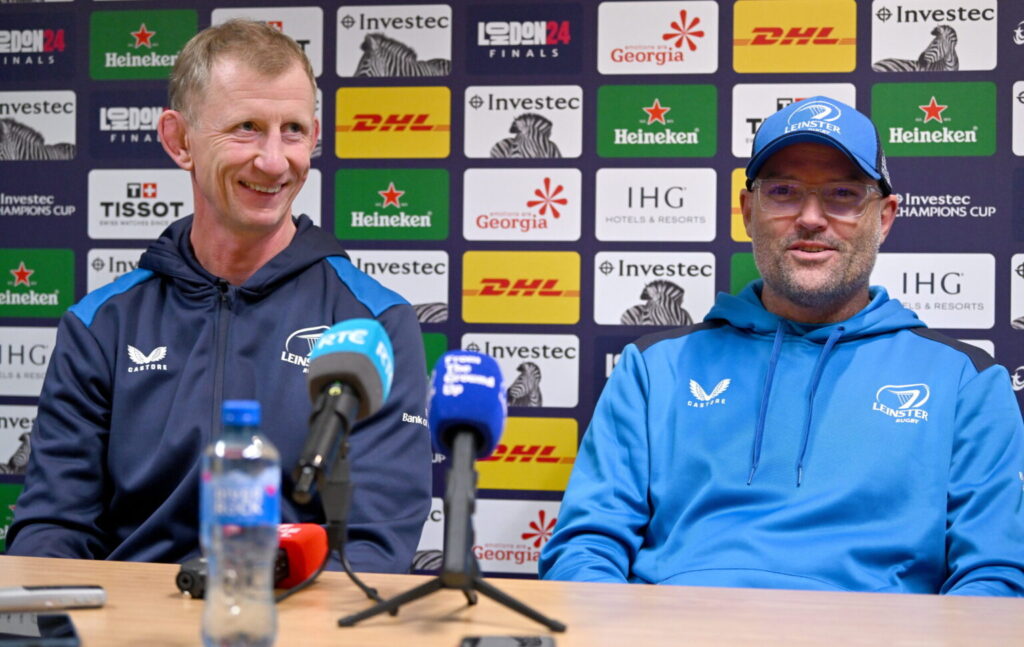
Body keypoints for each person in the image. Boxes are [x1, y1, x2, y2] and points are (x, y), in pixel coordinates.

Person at [540, 96, 1024, 595]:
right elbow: (585, 548)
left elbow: (995, 574)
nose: (811, 218)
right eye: (784, 191)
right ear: (749, 211)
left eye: (842, 194)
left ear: (884, 217)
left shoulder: (965, 380)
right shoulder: (654, 366)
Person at [7, 20, 432, 572]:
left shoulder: (375, 323)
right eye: (247, 128)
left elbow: (374, 547)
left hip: (292, 623)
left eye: (294, 131)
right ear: (178, 140)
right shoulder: (101, 325)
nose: (275, 161)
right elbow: (53, 528)